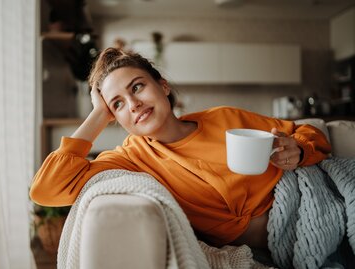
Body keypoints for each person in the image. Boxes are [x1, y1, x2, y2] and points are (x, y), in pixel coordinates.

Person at [30, 48, 331, 249]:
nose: (133, 104)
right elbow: (46, 189)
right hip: (271, 248)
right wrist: (97, 115)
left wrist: (299, 150)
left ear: (163, 86)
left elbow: (311, 132)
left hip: (309, 206)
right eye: (118, 104)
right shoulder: (131, 158)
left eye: (137, 87)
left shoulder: (225, 118)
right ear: (114, 117)